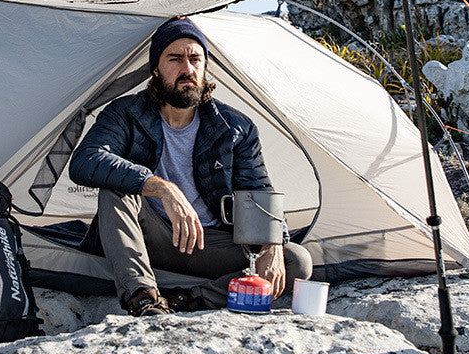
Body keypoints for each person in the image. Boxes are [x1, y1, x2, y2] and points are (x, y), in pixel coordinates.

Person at [68, 16, 313, 316]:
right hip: (150, 236)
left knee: (296, 261)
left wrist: (272, 244)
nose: (187, 69)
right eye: (175, 59)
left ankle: (188, 299)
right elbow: (85, 160)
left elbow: (258, 191)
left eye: (195, 59)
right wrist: (161, 188)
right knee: (116, 191)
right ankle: (142, 299)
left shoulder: (235, 127)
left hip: (208, 245)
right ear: (156, 69)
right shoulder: (125, 113)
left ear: (205, 67)